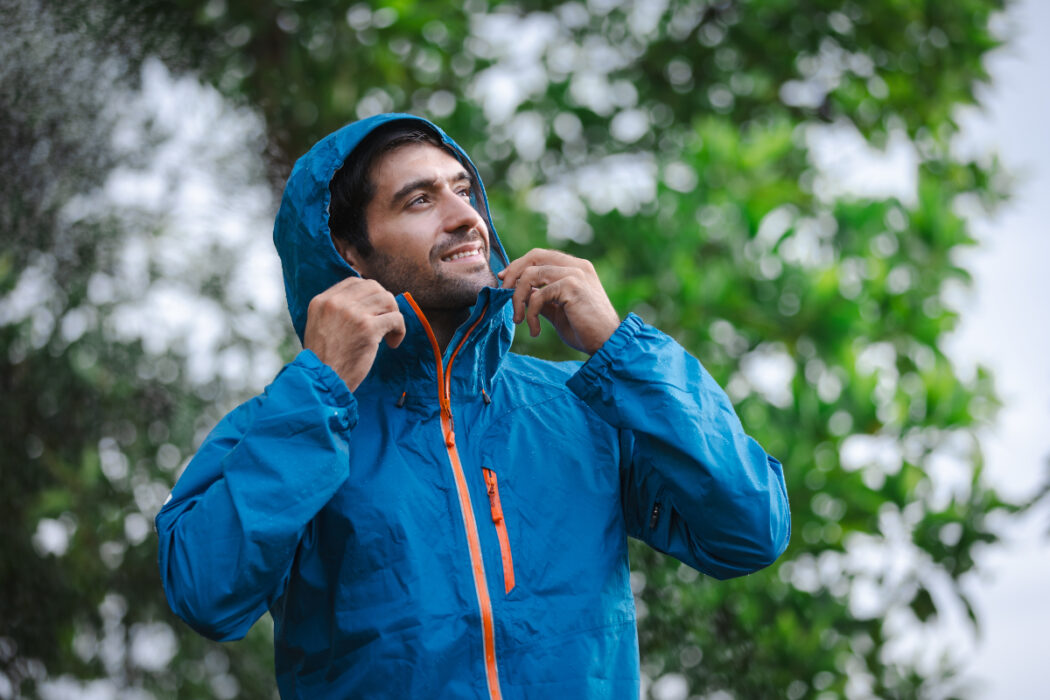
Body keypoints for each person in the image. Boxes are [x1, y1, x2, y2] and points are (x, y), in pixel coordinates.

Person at [156, 113, 791, 699]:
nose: (465, 217)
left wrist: (620, 348)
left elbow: (749, 529)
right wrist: (321, 387)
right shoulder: (292, 424)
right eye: (420, 200)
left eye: (464, 190)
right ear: (348, 251)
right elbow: (207, 594)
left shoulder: (578, 409)